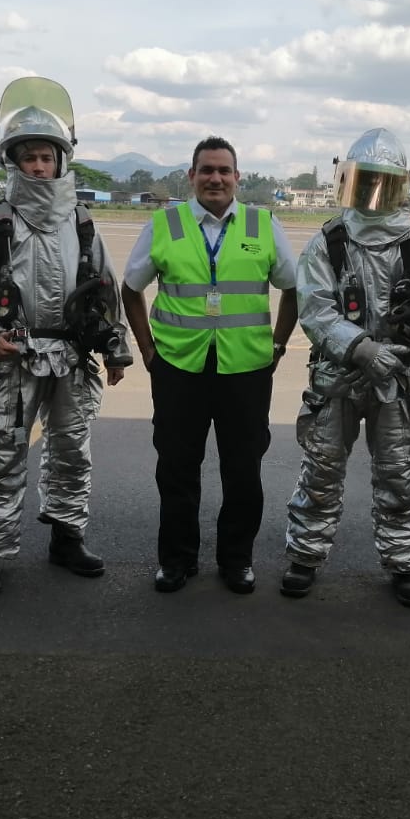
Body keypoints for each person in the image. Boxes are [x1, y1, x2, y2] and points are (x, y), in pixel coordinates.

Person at [0, 77, 133, 596]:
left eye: (45, 157)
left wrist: (115, 347)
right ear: (12, 162)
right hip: (14, 356)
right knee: (2, 452)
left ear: (60, 161)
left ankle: (67, 537)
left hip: (72, 356)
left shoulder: (81, 222)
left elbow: (105, 289)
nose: (37, 166)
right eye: (27, 157)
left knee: (73, 449)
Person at [281, 128, 410, 608]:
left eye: (384, 182)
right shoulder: (329, 242)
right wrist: (359, 348)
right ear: (348, 181)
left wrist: (403, 348)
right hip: (338, 379)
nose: (374, 193)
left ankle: (405, 564)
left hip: (395, 383)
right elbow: (315, 308)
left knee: (398, 472)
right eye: (366, 182)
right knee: (321, 468)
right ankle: (305, 555)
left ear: (403, 184)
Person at [121, 135, 298, 594]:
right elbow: (130, 287)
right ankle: (176, 561)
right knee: (177, 468)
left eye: (224, 171)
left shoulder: (263, 224)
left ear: (238, 178)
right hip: (179, 369)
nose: (215, 178)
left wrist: (277, 346)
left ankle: (236, 560)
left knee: (243, 470)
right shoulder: (166, 224)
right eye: (206, 170)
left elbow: (293, 289)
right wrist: (146, 349)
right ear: (192, 176)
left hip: (247, 371)